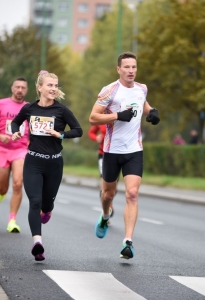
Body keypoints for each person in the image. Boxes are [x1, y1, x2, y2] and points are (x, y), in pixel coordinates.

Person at [89, 51, 160, 259]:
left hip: (134, 150)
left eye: (134, 67)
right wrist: (117, 116)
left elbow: (143, 104)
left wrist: (152, 112)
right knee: (108, 195)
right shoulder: (110, 90)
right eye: (127, 67)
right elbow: (93, 117)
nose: (131, 71)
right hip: (112, 150)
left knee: (132, 194)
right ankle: (104, 215)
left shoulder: (142, 89)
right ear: (118, 69)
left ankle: (127, 242)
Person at [11, 70, 83, 261]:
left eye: (55, 85)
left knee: (46, 203)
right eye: (49, 85)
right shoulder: (29, 109)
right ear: (40, 87)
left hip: (54, 164)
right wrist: (15, 132)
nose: (53, 88)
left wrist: (60, 135)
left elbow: (78, 130)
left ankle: (48, 208)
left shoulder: (62, 110)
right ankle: (37, 243)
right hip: (33, 161)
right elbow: (15, 122)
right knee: (34, 202)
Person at [0, 77, 29, 233]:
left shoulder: (29, 108)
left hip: (21, 149)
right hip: (2, 149)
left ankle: (12, 220)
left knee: (18, 183)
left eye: (23, 87)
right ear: (12, 88)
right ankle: (0, 192)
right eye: (17, 87)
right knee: (3, 188)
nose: (20, 90)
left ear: (27, 90)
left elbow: (34, 128)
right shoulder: (1, 104)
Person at [88, 124, 115, 217]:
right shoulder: (101, 118)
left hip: (117, 155)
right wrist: (96, 138)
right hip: (103, 154)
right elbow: (91, 132)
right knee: (104, 182)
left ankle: (109, 201)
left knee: (114, 185)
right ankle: (107, 208)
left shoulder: (119, 117)